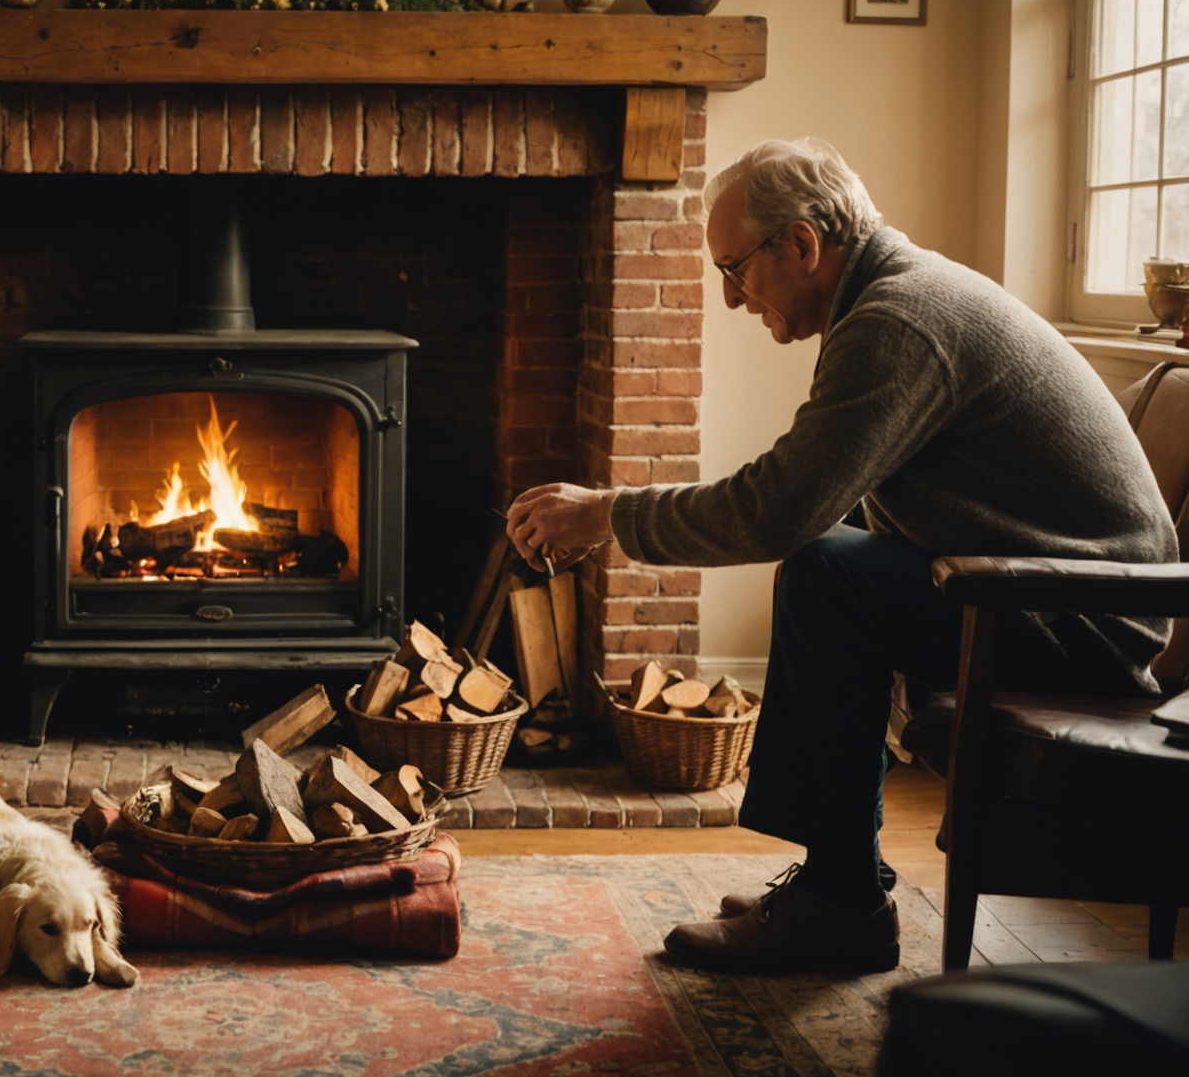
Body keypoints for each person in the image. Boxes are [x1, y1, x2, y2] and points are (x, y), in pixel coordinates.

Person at [503, 138, 1176, 974]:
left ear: (804, 245)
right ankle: (843, 878)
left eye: (735, 270)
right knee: (834, 564)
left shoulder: (897, 319)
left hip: (1077, 615)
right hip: (1054, 596)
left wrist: (607, 514)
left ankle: (840, 904)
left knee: (826, 572)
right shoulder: (891, 300)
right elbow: (832, 495)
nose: (730, 296)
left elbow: (780, 508)